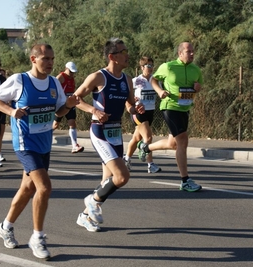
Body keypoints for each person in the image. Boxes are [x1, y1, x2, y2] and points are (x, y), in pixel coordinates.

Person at [0, 44, 78, 259]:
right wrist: (12, 111)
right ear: (33, 58)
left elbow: (59, 111)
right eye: (45, 58)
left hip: (44, 143)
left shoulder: (54, 82)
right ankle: (37, 237)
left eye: (52, 58)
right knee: (45, 187)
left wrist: (68, 105)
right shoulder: (20, 80)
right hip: (25, 143)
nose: (49, 62)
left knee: (27, 189)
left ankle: (5, 226)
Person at [73, 37, 144, 232]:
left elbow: (129, 105)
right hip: (100, 131)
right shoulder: (98, 77)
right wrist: (93, 111)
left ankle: (85, 216)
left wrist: (135, 108)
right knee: (122, 177)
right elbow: (75, 99)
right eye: (123, 52)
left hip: (116, 132)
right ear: (112, 56)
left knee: (107, 181)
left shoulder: (127, 79)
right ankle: (91, 201)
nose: (127, 54)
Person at [137, 42, 203, 192]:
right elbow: (153, 79)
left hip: (185, 108)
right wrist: (160, 91)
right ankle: (185, 180)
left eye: (193, 51)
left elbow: (198, 86)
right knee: (183, 140)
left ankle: (146, 147)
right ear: (180, 53)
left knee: (173, 144)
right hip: (170, 107)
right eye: (188, 51)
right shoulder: (168, 66)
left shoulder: (196, 69)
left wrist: (197, 88)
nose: (192, 54)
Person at [123, 57, 161, 173]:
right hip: (138, 113)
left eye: (151, 66)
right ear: (142, 67)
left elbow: (161, 93)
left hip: (150, 112)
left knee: (136, 138)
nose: (150, 68)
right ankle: (151, 165)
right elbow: (126, 97)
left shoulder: (155, 80)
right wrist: (130, 106)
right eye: (148, 66)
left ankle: (127, 159)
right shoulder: (136, 81)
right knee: (148, 138)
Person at [53, 61, 84, 153]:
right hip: (61, 104)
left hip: (70, 104)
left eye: (73, 72)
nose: (72, 74)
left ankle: (74, 145)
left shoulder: (72, 78)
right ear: (66, 69)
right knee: (55, 125)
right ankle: (43, 138)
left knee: (72, 122)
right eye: (71, 72)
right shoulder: (60, 77)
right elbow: (53, 89)